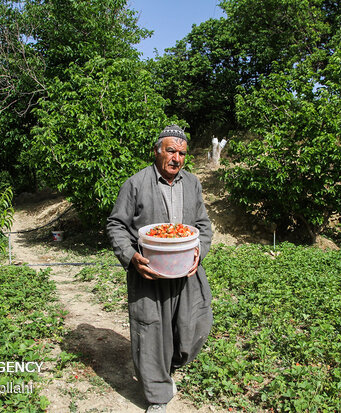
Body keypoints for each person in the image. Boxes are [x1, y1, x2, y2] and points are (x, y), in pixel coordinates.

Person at [106, 124, 213, 412]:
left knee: (195, 323)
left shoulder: (192, 184)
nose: (177, 158)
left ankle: (171, 364)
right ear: (157, 151)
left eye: (182, 153)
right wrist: (130, 256)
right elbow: (116, 224)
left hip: (186, 269)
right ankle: (156, 395)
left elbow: (203, 226)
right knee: (151, 330)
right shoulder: (136, 183)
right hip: (149, 271)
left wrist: (198, 251)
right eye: (170, 151)